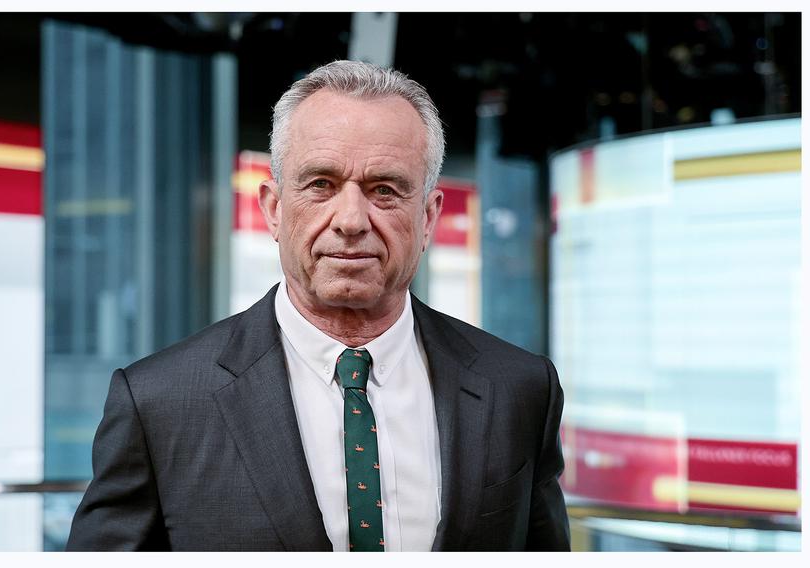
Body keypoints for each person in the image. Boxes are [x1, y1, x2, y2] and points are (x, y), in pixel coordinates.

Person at [66, 60, 570, 552]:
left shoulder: (520, 389)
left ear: (429, 217)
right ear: (274, 209)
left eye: (385, 190)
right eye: (321, 185)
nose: (351, 219)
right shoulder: (159, 403)